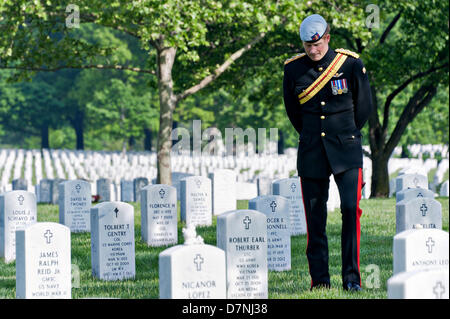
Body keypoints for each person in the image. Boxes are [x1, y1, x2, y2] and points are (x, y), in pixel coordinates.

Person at [283, 14, 373, 292]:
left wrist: (344, 134)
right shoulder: (293, 70)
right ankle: (320, 280)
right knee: (315, 218)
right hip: (312, 152)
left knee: (350, 210)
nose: (313, 50)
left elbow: (364, 108)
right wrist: (313, 136)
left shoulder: (350, 64)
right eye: (308, 46)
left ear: (327, 39)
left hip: (346, 150)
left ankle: (352, 279)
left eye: (318, 44)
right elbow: (293, 112)